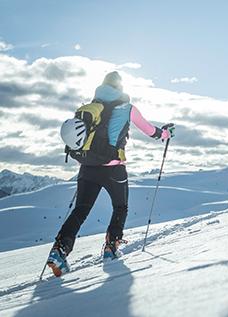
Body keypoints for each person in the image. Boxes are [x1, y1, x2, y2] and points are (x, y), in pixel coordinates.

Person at [48, 71, 175, 276]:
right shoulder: (127, 108)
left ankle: (59, 251)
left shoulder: (90, 106)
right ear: (120, 87)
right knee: (120, 206)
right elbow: (150, 130)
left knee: (80, 210)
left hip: (88, 167)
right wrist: (165, 133)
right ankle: (111, 248)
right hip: (114, 167)